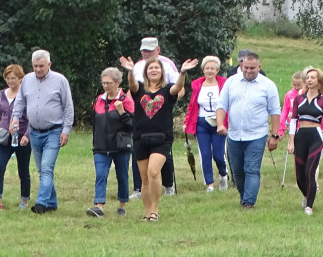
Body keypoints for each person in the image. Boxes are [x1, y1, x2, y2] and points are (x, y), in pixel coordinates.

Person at [120, 54, 197, 221]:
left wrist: (182, 72)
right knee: (144, 178)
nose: (153, 70)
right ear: (145, 72)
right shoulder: (139, 89)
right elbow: (132, 84)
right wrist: (130, 71)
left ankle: (155, 211)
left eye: (156, 68)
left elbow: (178, 87)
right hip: (140, 138)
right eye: (150, 68)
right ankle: (147, 213)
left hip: (162, 138)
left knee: (153, 171)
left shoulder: (167, 89)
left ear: (162, 72)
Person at [11, 49, 74, 215]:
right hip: (34, 132)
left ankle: (41, 203)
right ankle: (52, 202)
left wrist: (66, 130)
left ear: (49, 64)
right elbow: (20, 101)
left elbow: (68, 106)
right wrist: (15, 118)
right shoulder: (27, 80)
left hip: (54, 131)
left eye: (41, 66)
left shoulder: (60, 81)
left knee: (46, 168)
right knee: (41, 169)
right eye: (35, 66)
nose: (38, 69)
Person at [216, 52, 280, 210]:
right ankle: (244, 195)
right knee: (237, 170)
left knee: (251, 169)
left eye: (252, 68)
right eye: (246, 67)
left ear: (259, 67)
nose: (249, 71)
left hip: (256, 135)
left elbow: (275, 112)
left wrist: (275, 135)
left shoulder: (268, 85)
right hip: (234, 134)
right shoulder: (231, 82)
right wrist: (220, 124)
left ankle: (248, 202)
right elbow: (221, 106)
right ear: (241, 65)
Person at [132, 37, 180, 196]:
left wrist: (167, 102)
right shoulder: (137, 67)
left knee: (162, 155)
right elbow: (132, 90)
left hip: (161, 114)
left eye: (150, 51)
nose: (147, 54)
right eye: (144, 51)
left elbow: (179, 89)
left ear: (157, 50)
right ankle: (139, 188)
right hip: (141, 115)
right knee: (139, 153)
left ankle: (168, 184)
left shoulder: (167, 65)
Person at [286, 68, 323, 215]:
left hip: (315, 136)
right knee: (299, 176)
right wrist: (291, 141)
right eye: (307, 77)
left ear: (319, 81)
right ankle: (307, 194)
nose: (309, 80)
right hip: (301, 136)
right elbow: (294, 120)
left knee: (310, 172)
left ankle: (309, 206)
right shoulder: (299, 99)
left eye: (313, 77)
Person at [88, 67, 134, 217]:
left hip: (120, 146)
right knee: (101, 174)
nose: (106, 86)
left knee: (122, 175)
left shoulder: (126, 101)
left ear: (118, 83)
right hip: (101, 146)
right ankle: (99, 206)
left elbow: (132, 125)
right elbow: (95, 123)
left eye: (109, 83)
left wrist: (122, 113)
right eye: (104, 83)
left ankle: (122, 204)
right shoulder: (99, 100)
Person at [0, 64, 31, 211]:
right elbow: (1, 114)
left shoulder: (26, 95)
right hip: (5, 136)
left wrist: (27, 135)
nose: (10, 81)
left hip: (23, 136)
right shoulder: (2, 94)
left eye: (13, 78)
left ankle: (24, 200)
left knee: (23, 170)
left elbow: (32, 117)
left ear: (21, 78)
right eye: (8, 79)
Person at [183, 55, 227, 191]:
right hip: (202, 123)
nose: (209, 71)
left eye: (212, 68)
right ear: (203, 70)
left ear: (217, 70)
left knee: (219, 155)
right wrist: (187, 121)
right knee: (205, 154)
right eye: (207, 68)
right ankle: (209, 184)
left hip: (219, 123)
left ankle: (223, 175)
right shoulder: (197, 85)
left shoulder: (224, 84)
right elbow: (192, 105)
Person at [278, 71, 306, 137]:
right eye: (294, 85)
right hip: (293, 126)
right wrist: (280, 130)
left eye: (299, 85)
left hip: (305, 126)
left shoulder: (308, 94)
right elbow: (284, 112)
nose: (296, 87)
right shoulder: (289, 95)